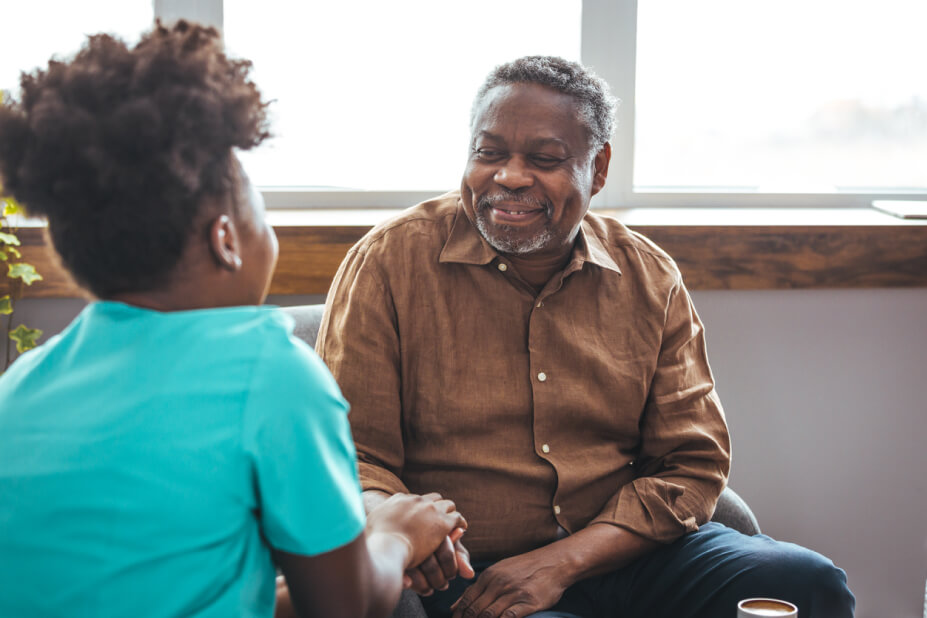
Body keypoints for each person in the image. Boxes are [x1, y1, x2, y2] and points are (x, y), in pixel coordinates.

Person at [316, 56, 856, 618]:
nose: (509, 177)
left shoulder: (649, 276)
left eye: (545, 159)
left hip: (620, 555)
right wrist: (399, 531)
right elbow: (350, 455)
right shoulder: (390, 262)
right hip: (469, 572)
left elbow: (691, 463)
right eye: (489, 152)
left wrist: (565, 562)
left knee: (807, 581)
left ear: (598, 169)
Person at [0, 21, 466, 618]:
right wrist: (398, 535)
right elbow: (343, 607)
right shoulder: (271, 372)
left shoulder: (24, 381)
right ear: (226, 239)